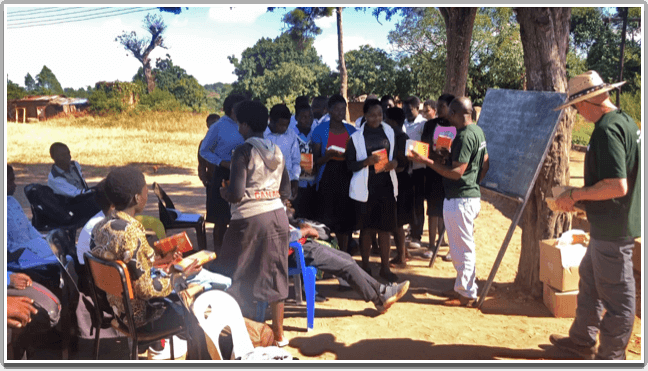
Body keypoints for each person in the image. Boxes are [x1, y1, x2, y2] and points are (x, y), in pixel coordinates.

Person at [550, 71, 640, 360]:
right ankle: (582, 339)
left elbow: (617, 185)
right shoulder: (626, 121)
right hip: (610, 225)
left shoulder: (606, 130)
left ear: (587, 102)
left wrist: (576, 195)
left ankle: (611, 356)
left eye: (576, 107)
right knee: (589, 278)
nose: (577, 112)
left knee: (619, 300)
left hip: (613, 230)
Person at [90, 166, 229, 331]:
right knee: (218, 283)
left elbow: (131, 266)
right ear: (136, 198)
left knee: (203, 281)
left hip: (116, 309)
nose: (146, 195)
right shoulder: (131, 233)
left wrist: (162, 260)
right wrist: (180, 275)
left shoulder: (100, 226)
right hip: (142, 317)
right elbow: (146, 290)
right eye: (145, 191)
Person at [211, 100, 292, 346]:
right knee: (276, 273)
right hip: (277, 217)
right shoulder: (276, 150)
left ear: (244, 124)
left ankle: (237, 332)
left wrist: (224, 192)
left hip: (249, 219)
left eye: (239, 123)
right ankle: (279, 335)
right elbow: (286, 189)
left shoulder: (243, 151)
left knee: (234, 271)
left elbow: (236, 194)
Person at [410, 96, 489, 307]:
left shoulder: (463, 136)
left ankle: (466, 294)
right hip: (467, 196)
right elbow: (485, 162)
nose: (448, 117)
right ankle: (460, 287)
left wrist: (427, 161)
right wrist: (474, 181)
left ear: (458, 114)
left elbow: (455, 173)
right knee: (458, 248)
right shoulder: (478, 131)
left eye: (450, 113)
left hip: (460, 199)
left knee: (463, 249)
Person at [285, 203, 410, 313]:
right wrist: (303, 232)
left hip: (302, 244)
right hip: (294, 250)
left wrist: (299, 227)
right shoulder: (269, 208)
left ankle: (382, 292)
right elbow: (281, 238)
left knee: (347, 258)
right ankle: (379, 298)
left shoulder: (272, 203)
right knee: (346, 266)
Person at [346, 99, 400, 281]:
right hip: (365, 188)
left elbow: (398, 156)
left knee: (385, 229)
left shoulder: (389, 132)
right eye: (371, 115)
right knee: (367, 229)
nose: (376, 118)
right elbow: (350, 165)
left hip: (385, 186)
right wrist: (366, 162)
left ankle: (385, 268)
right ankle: (365, 267)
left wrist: (395, 163)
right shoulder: (356, 137)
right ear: (365, 116)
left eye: (379, 114)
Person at [199, 93, 247, 254]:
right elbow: (204, 150)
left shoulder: (245, 123)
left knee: (240, 215)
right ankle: (219, 253)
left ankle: (236, 252)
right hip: (223, 173)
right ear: (233, 109)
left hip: (242, 173)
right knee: (221, 218)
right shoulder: (218, 126)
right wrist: (222, 162)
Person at [311, 94, 358, 254]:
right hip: (327, 179)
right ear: (329, 110)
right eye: (336, 109)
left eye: (343, 109)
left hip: (347, 178)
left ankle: (344, 253)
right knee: (327, 218)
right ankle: (329, 254)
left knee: (345, 219)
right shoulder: (320, 130)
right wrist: (328, 156)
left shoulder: (352, 130)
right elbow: (315, 160)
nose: (340, 112)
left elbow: (356, 155)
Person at [7, 165, 63, 293]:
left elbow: (28, 227)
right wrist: (22, 251)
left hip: (31, 249)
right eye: (10, 181)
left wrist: (43, 240)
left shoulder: (12, 201)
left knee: (65, 257)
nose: (15, 185)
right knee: (53, 270)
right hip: (17, 259)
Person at [420, 94, 457, 260]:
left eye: (443, 105)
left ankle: (451, 249)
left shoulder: (457, 125)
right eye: (439, 105)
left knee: (450, 211)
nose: (441, 108)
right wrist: (435, 154)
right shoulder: (430, 125)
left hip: (450, 173)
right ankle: (431, 245)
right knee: (433, 210)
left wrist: (448, 156)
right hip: (433, 172)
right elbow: (423, 145)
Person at [384, 107, 414, 266]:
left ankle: (401, 256)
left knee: (397, 223)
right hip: (402, 182)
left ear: (392, 121)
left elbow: (402, 164)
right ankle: (404, 252)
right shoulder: (402, 137)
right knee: (397, 221)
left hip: (400, 183)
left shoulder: (399, 138)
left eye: (385, 118)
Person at [47, 142, 101, 225]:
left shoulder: (75, 165)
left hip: (84, 199)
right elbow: (76, 194)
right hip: (70, 207)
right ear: (53, 157)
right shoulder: (55, 178)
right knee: (102, 201)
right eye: (62, 155)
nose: (68, 157)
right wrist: (96, 190)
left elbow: (83, 186)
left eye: (68, 153)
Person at [402, 96, 428, 249]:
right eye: (404, 109)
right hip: (406, 168)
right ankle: (411, 229)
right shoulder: (404, 123)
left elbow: (426, 146)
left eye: (409, 109)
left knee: (418, 203)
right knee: (408, 201)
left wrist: (413, 151)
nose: (406, 112)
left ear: (417, 108)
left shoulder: (423, 124)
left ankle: (417, 235)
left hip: (419, 169)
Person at [265, 104, 301, 200]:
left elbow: (296, 161)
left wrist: (295, 180)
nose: (284, 128)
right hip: (267, 185)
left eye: (286, 125)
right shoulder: (263, 135)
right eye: (281, 125)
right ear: (270, 120)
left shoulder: (291, 135)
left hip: (287, 183)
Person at [76, 179, 113, 266]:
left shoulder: (102, 218)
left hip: (91, 268)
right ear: (113, 205)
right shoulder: (104, 226)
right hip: (90, 272)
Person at [292, 103, 317, 221]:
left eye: (310, 117)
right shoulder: (292, 135)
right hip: (297, 183)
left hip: (313, 182)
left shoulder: (315, 133)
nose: (308, 120)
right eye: (304, 117)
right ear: (296, 118)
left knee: (311, 216)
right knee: (297, 215)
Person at [198, 113, 221, 187]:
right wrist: (204, 179)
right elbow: (201, 163)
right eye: (212, 124)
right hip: (211, 179)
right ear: (207, 125)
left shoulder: (226, 141)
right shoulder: (204, 142)